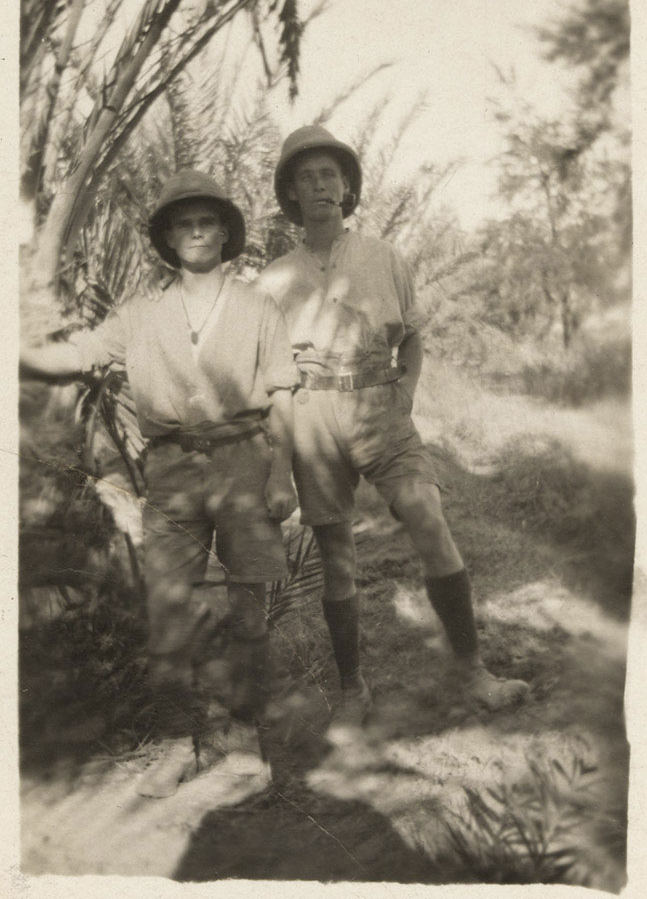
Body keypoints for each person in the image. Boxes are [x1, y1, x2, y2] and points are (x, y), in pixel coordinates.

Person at [21, 170, 298, 795]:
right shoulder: (142, 313)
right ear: (167, 238)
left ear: (225, 232)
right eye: (183, 223)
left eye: (206, 221)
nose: (196, 232)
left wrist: (282, 475)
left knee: (247, 612)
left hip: (246, 460)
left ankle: (243, 741)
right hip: (171, 469)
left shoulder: (257, 308)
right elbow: (81, 352)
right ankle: (178, 742)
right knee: (167, 608)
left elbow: (283, 394)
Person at [256, 125, 529, 738]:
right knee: (336, 557)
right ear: (292, 195)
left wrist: (404, 390)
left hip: (381, 405)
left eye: (330, 174)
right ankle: (353, 687)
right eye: (306, 177)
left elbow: (411, 335)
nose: (320, 184)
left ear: (348, 186)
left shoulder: (385, 258)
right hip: (312, 415)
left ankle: (472, 671)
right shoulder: (271, 282)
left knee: (429, 521)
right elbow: (268, 378)